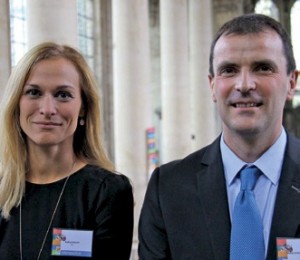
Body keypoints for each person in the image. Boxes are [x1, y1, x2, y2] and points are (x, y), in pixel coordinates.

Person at [138, 13, 299, 260]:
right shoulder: (168, 189)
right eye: (229, 70)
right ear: (213, 85)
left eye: (263, 67)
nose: (244, 84)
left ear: (292, 82)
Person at [0, 42, 134, 259]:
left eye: (63, 95)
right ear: (16, 104)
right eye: (33, 92)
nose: (47, 109)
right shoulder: (3, 191)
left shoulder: (105, 192)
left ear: (83, 108)